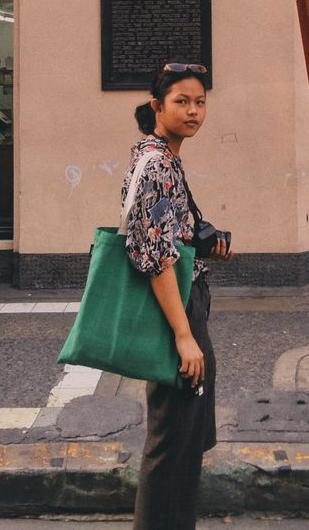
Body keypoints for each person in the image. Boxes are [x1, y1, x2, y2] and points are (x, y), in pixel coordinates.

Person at [123, 62, 233, 530]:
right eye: (181, 102)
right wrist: (184, 336)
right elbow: (155, 255)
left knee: (184, 442)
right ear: (157, 107)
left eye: (200, 101)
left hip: (185, 306)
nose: (193, 111)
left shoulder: (164, 157)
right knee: (172, 445)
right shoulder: (158, 164)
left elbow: (170, 238)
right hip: (177, 313)